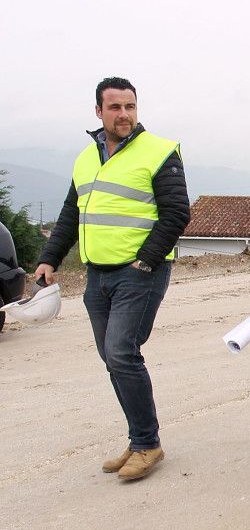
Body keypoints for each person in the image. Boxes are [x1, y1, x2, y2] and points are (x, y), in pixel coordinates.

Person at [34, 77, 190, 480]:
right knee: (112, 358)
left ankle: (147, 445)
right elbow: (72, 214)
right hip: (97, 275)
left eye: (131, 107)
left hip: (140, 273)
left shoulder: (160, 152)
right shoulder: (87, 158)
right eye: (116, 107)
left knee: (121, 352)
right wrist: (50, 259)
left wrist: (146, 261)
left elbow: (176, 213)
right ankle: (140, 438)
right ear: (98, 112)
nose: (124, 114)